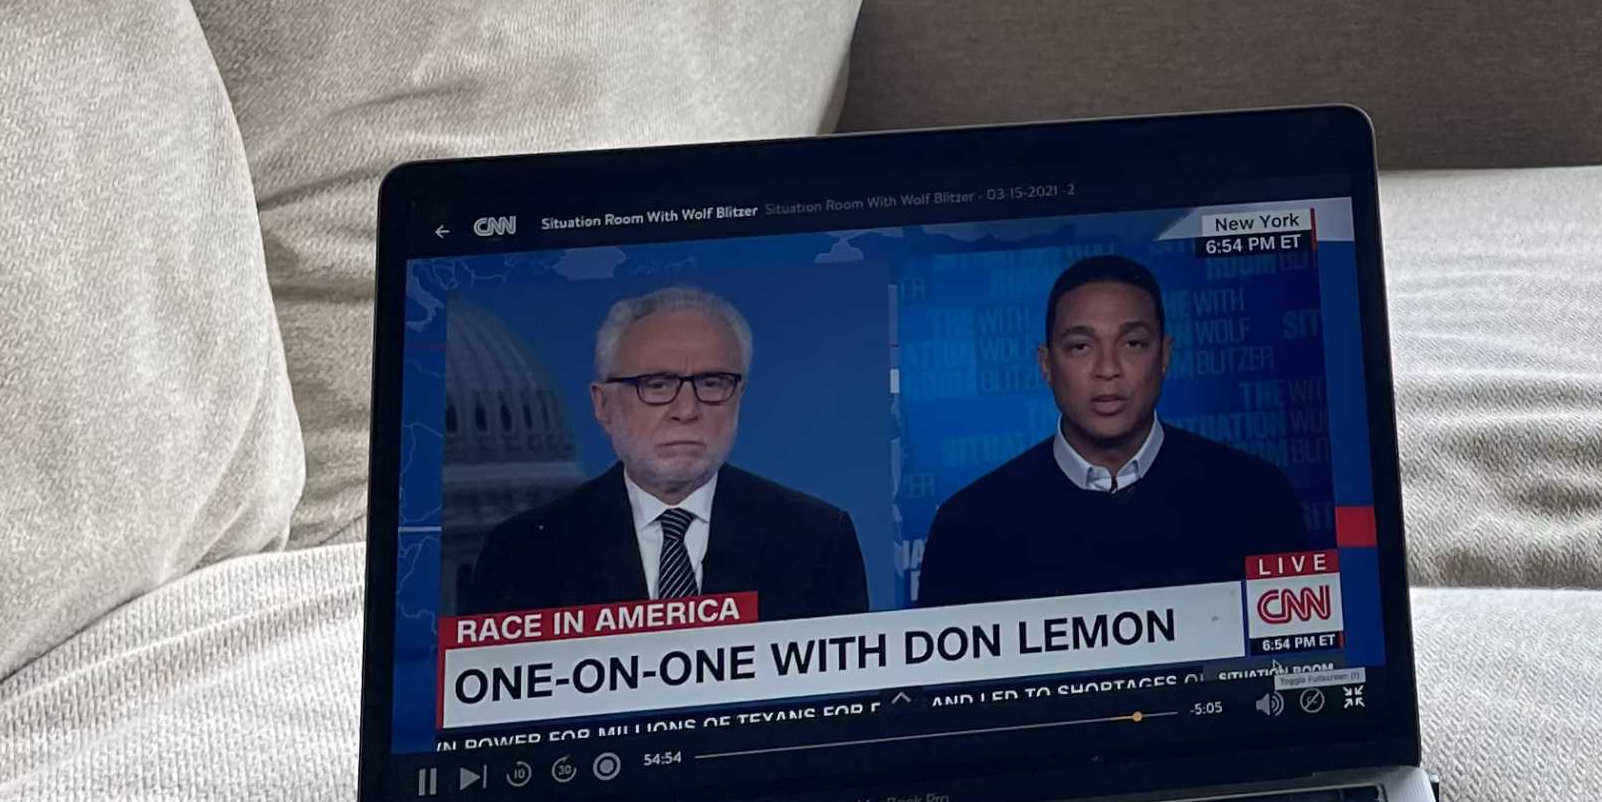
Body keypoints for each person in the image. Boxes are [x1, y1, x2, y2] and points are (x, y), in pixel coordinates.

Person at [916, 254, 1319, 610]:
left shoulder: (1256, 495)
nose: (1107, 369)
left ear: (1164, 356)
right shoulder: (969, 525)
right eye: (1080, 347)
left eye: (1132, 344)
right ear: (1046, 364)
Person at [460, 286, 870, 622]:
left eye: (712, 383)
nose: (686, 410)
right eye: (656, 385)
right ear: (603, 405)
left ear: (739, 398)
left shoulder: (815, 539)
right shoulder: (522, 552)